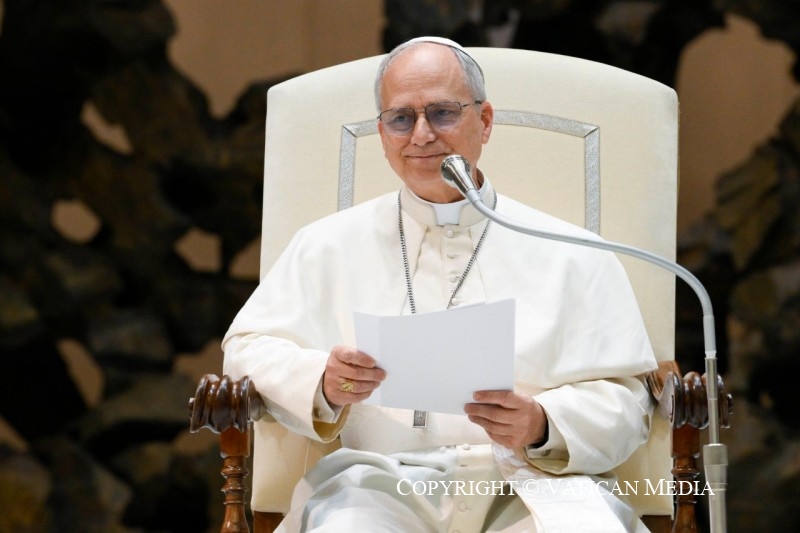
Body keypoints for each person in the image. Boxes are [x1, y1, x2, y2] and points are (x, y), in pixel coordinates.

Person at [223, 36, 658, 532]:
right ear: (383, 132)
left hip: (533, 481)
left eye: (443, 113)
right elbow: (246, 349)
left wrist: (540, 423)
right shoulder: (326, 245)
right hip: (378, 485)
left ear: (486, 121)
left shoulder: (572, 252)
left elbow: (628, 399)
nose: (422, 136)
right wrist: (322, 380)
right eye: (401, 119)